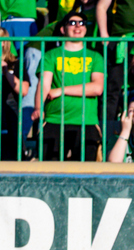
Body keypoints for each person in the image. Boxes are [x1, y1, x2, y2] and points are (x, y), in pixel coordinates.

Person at [34, 10, 107, 160]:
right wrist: (38, 108)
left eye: (82, 23)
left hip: (86, 121)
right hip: (54, 119)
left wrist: (61, 90)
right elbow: (44, 85)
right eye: (72, 23)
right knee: (48, 172)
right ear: (63, 29)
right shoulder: (50, 55)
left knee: (87, 173)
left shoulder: (95, 57)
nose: (77, 26)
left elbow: (97, 88)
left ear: (86, 29)